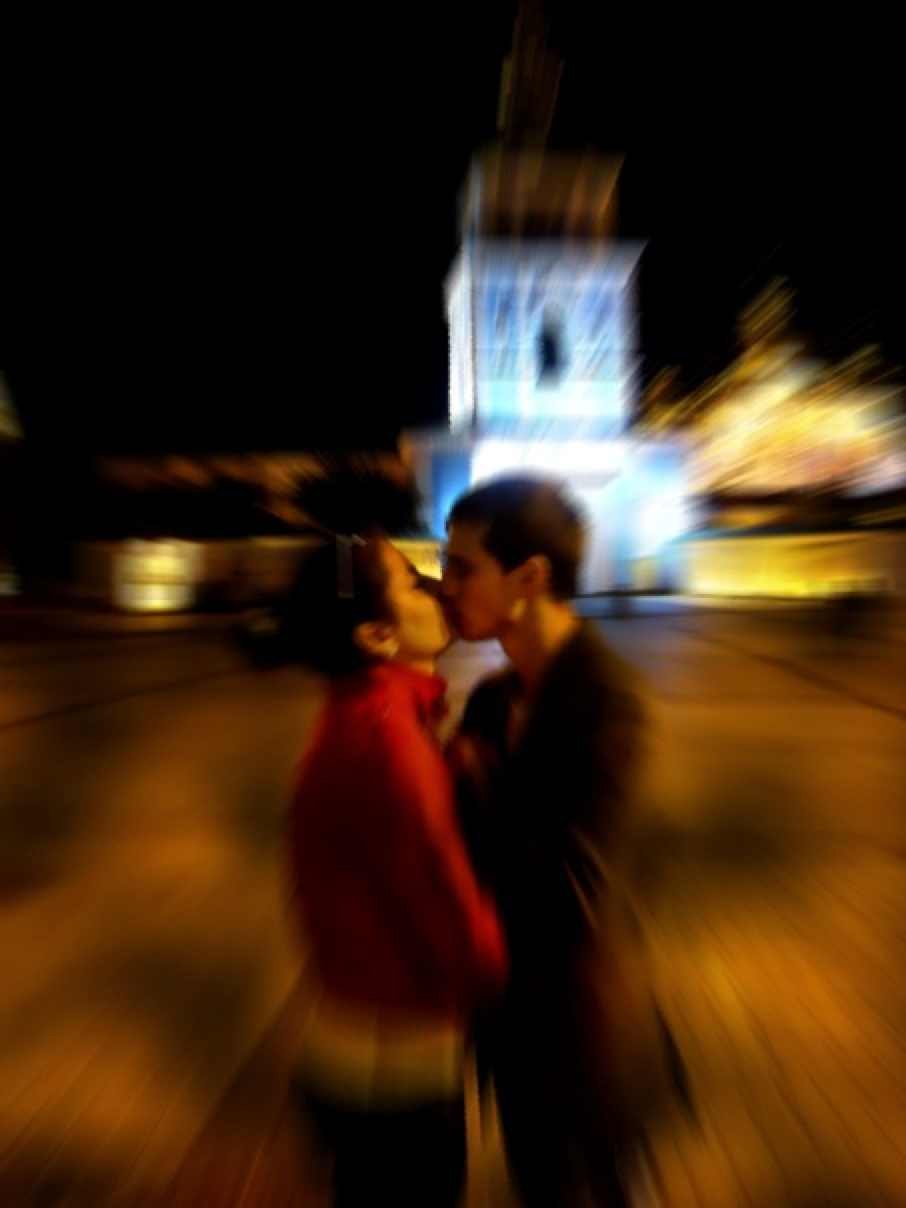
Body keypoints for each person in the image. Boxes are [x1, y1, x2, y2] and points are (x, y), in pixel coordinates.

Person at [443, 475, 669, 1206]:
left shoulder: (609, 701)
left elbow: (577, 887)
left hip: (585, 1045)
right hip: (512, 1033)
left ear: (530, 578)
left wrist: (482, 792)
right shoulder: (491, 700)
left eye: (462, 568)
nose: (446, 587)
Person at [284, 532, 507, 1207]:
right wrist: (502, 977)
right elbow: (442, 895)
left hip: (352, 1036)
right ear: (378, 635)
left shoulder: (369, 713)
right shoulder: (388, 739)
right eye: (413, 582)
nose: (438, 590)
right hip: (394, 1065)